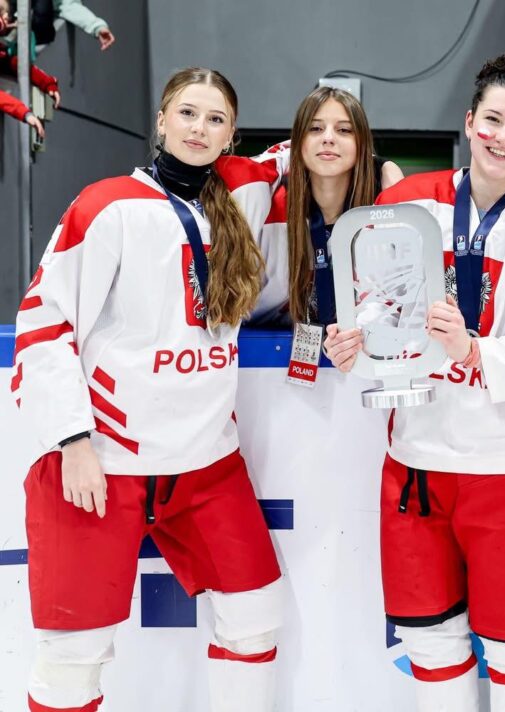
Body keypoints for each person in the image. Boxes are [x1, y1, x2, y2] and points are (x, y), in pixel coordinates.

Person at [324, 51, 505, 712]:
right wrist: (351, 344)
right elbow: (375, 312)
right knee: (430, 646)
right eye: (494, 120)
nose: (504, 137)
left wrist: (475, 351)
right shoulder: (406, 202)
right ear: (469, 120)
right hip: (418, 464)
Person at [12, 67, 289, 712]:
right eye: (187, 113)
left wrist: (384, 173)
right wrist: (73, 440)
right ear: (161, 120)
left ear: (231, 135)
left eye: (216, 119)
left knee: (255, 616)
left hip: (206, 462)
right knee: (72, 653)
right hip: (106, 460)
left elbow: (299, 152)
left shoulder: (241, 195)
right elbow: (45, 321)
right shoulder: (107, 205)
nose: (199, 129)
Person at [250, 84, 403, 328]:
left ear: (361, 144)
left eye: (344, 130)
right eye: (315, 128)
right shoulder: (269, 201)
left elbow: (400, 299)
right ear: (298, 141)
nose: (328, 138)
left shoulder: (381, 202)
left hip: (357, 345)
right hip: (260, 345)